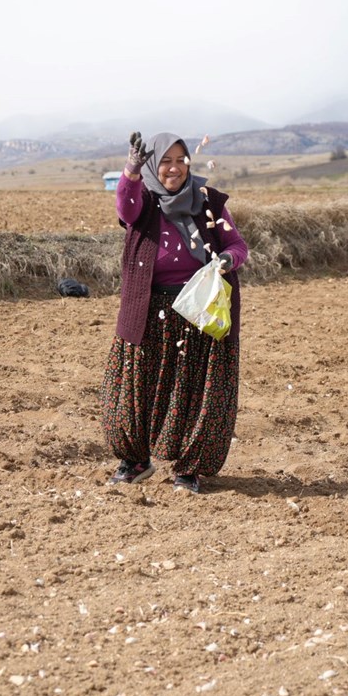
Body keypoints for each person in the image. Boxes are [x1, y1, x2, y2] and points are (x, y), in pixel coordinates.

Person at [101, 131, 248, 494]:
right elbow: (125, 206)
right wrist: (131, 170)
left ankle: (188, 469)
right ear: (154, 165)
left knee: (195, 389)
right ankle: (135, 461)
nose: (174, 168)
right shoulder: (144, 201)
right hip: (149, 309)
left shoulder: (209, 202)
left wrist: (228, 260)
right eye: (165, 160)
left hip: (199, 311)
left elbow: (236, 244)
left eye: (181, 160)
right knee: (136, 388)